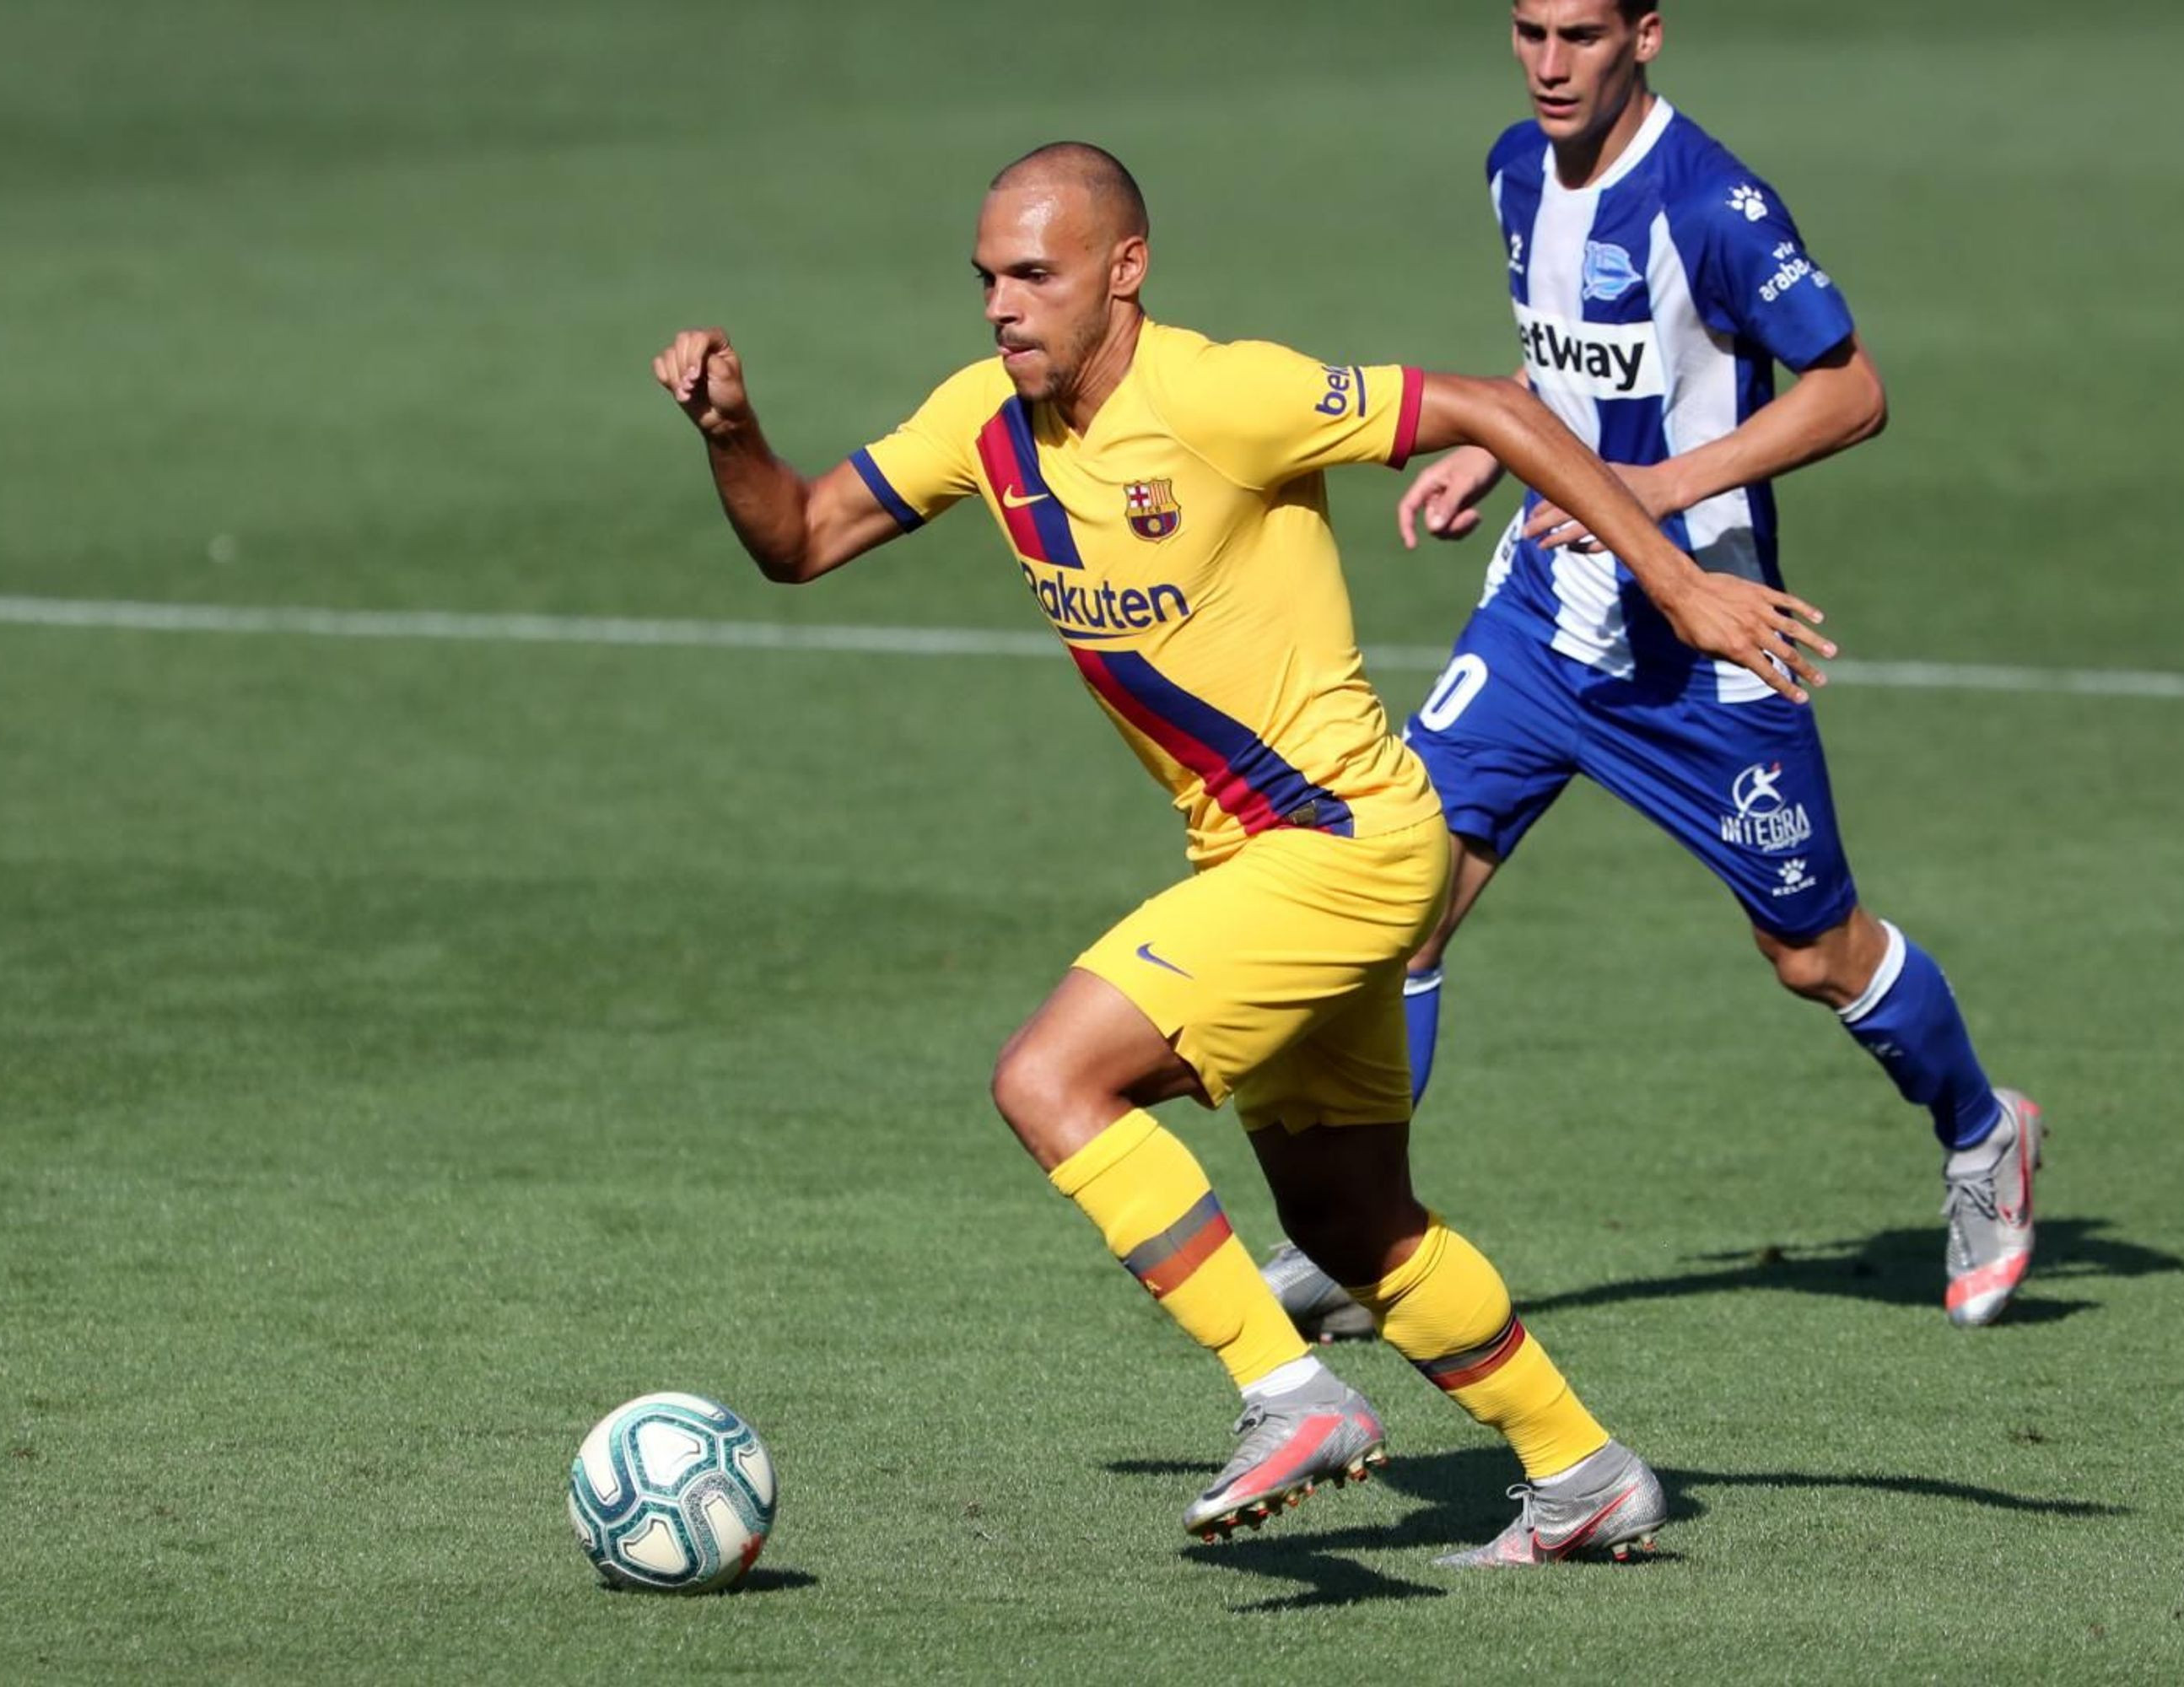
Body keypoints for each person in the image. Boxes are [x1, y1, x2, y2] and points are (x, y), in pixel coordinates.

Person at [651, 142, 1833, 1565]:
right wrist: (732, 430)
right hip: (1274, 867)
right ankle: (1584, 1473)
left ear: (1124, 273)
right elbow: (800, 535)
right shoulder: (986, 424)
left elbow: (1493, 406)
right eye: (987, 279)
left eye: (1035, 275)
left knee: (1049, 1078)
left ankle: (1288, 1394)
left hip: (1344, 847)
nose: (1001, 307)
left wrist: (1681, 579)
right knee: (1355, 1224)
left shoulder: (1220, 395)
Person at [1261, 0, 2041, 1336]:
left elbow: (1851, 390)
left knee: (1812, 954)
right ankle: (1362, 1241)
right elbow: (1567, 351)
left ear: (1649, 36)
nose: (1550, 65)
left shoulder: (1718, 205)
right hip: (1544, 621)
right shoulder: (1515, 167)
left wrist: (1654, 488)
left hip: (1702, 645)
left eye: (1580, 35)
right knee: (1404, 909)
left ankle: (1983, 1132)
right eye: (1528, 31)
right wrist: (1500, 439)